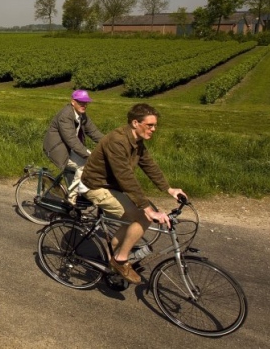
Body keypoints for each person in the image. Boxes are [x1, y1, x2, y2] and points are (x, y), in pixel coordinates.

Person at [80, 103, 186, 285]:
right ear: (135, 123)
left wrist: (169, 189)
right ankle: (120, 260)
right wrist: (147, 209)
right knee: (144, 217)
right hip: (96, 186)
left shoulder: (137, 140)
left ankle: (111, 248)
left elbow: (149, 165)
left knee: (143, 212)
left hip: (112, 185)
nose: (154, 129)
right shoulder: (117, 141)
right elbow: (125, 177)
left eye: (155, 125)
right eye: (150, 125)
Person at [43, 89, 104, 203]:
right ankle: (72, 198)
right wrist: (88, 155)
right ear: (73, 102)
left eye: (86, 102)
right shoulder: (65, 116)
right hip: (58, 150)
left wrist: (110, 143)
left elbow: (93, 132)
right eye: (81, 102)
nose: (84, 105)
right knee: (84, 165)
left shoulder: (81, 114)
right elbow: (71, 140)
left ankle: (80, 190)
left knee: (91, 164)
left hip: (69, 148)